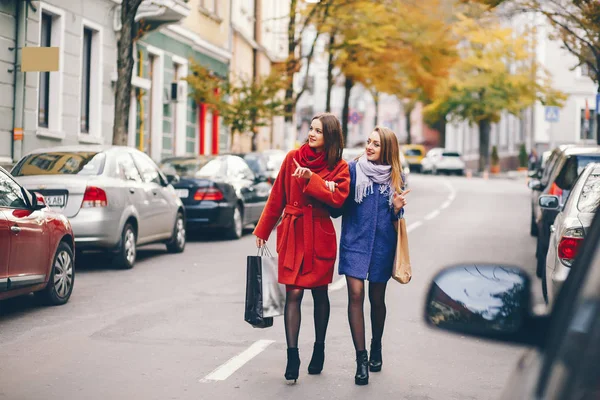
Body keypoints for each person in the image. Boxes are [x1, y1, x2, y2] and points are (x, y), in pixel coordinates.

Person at [253, 113, 350, 383]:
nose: (312, 133)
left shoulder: (339, 167)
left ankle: (319, 348)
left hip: (319, 234)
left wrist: (313, 179)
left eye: (318, 130)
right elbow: (277, 196)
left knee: (320, 294)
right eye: (311, 128)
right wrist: (263, 228)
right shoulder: (292, 157)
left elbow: (338, 202)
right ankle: (292, 355)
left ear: (330, 136)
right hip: (293, 233)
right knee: (293, 294)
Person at [337, 126, 409, 385]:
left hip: (382, 246)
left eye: (375, 144)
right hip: (354, 242)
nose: (369, 147)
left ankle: (376, 344)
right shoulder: (352, 170)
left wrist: (397, 209)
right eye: (368, 142)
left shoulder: (396, 177)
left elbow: (396, 218)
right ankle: (361, 359)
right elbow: (339, 202)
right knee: (355, 295)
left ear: (386, 149)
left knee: (376, 299)